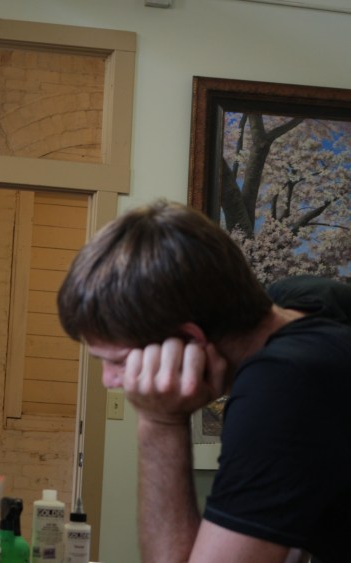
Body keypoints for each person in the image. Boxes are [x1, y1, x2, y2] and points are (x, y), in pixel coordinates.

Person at [57, 200, 351, 562]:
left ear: (190, 340)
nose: (109, 380)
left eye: (117, 361)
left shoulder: (284, 385)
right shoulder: (301, 302)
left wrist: (160, 422)